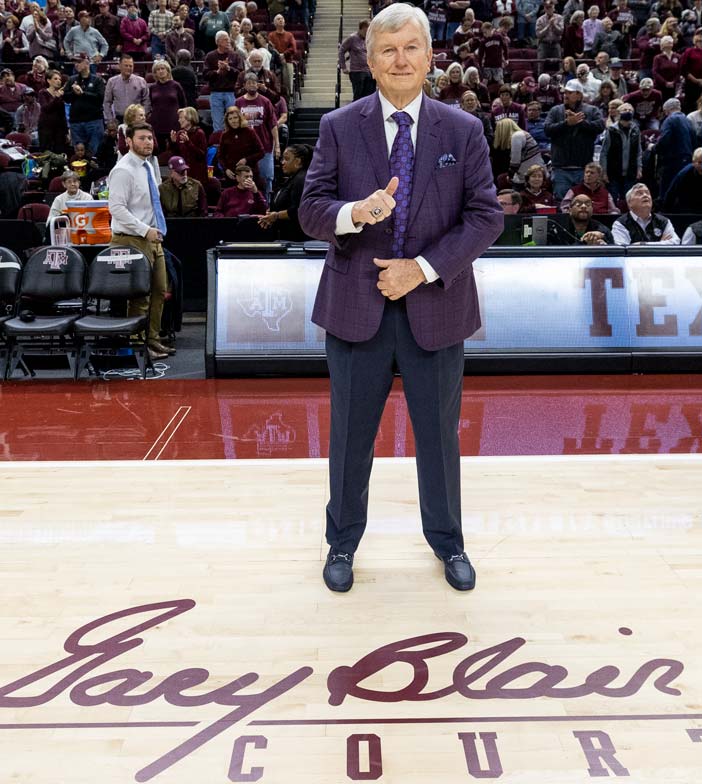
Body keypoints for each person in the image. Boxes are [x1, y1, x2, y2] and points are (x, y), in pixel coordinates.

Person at [298, 4, 503, 594]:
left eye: (411, 47)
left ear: (430, 55)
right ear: (370, 61)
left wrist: (421, 269)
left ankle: (449, 543)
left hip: (435, 309)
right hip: (355, 311)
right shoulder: (339, 126)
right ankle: (341, 542)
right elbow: (311, 208)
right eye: (388, 50)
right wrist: (353, 214)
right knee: (348, 437)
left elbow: (486, 216)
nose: (401, 59)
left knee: (439, 438)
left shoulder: (461, 130)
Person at [107, 122, 174, 362]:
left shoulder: (148, 165)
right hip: (131, 239)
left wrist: (152, 230)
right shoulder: (123, 169)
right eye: (142, 138)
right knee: (140, 295)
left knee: (159, 291)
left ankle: (153, 339)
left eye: (150, 138)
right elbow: (116, 208)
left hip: (152, 236)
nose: (148, 142)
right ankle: (138, 344)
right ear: (129, 141)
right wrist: (145, 230)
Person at [544, 80, 605, 200]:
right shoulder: (555, 110)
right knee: (562, 203)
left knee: (584, 202)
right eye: (565, 92)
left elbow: (600, 127)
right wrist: (566, 123)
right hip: (561, 168)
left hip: (583, 168)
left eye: (570, 92)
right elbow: (547, 129)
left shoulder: (592, 110)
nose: (565, 95)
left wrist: (580, 122)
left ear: (579, 95)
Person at [235, 71, 279, 199]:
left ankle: (267, 204)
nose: (252, 85)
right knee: (246, 179)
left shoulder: (265, 101)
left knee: (267, 178)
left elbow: (273, 125)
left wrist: (277, 146)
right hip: (246, 149)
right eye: (249, 83)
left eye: (254, 83)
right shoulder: (238, 102)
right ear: (244, 85)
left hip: (265, 146)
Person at [258, 143, 311, 240]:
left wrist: (276, 215)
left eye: (286, 159)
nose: (282, 162)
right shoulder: (292, 178)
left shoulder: (301, 180)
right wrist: (272, 212)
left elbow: (299, 210)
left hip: (297, 239)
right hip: (285, 235)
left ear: (298, 162)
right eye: (283, 159)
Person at [599, 102, 643, 203]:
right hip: (613, 172)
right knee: (613, 200)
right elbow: (604, 152)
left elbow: (639, 151)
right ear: (619, 113)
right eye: (625, 110)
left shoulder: (636, 130)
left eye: (630, 110)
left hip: (630, 172)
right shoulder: (611, 130)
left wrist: (639, 168)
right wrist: (604, 172)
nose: (628, 112)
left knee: (630, 201)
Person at [203, 30, 246, 134]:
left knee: (234, 122)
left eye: (228, 39)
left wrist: (228, 68)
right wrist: (217, 72)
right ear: (218, 42)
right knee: (217, 125)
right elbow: (205, 75)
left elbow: (241, 74)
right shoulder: (210, 56)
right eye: (225, 40)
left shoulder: (235, 56)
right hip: (215, 93)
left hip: (231, 93)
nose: (228, 42)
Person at [64, 55, 106, 159]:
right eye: (75, 62)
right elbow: (66, 98)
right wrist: (74, 93)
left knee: (94, 153)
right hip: (76, 122)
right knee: (79, 155)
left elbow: (100, 98)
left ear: (87, 63)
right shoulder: (72, 80)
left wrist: (83, 93)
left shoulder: (97, 80)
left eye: (79, 62)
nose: (76, 65)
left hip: (94, 121)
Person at [612, 182, 680, 244]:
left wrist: (643, 245)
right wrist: (661, 244)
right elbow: (623, 249)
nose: (645, 195)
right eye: (639, 193)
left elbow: (675, 242)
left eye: (647, 193)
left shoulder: (663, 221)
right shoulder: (620, 224)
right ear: (629, 203)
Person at [657, 96, 696, 196]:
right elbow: (694, 140)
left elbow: (664, 141)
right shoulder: (688, 121)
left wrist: (653, 148)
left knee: (667, 186)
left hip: (672, 160)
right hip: (687, 159)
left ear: (667, 110)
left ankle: (664, 209)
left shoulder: (670, 120)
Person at [217, 103, 264, 183]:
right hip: (232, 175)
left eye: (235, 117)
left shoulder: (249, 132)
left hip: (249, 174)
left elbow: (261, 152)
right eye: (230, 119)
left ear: (240, 118)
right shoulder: (225, 135)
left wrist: (246, 160)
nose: (233, 121)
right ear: (227, 121)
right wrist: (226, 169)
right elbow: (220, 156)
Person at [547, 193, 614, 244]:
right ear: (570, 210)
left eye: (588, 204)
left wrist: (601, 244)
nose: (584, 206)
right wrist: (585, 244)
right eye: (578, 204)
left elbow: (613, 252)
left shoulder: (602, 230)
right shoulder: (558, 229)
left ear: (592, 210)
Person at [149, 59, 186, 150]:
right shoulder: (152, 87)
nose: (161, 71)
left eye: (163, 68)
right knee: (159, 151)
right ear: (155, 73)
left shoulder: (176, 85)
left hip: (174, 123)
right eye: (158, 70)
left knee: (176, 149)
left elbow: (183, 104)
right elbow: (150, 104)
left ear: (168, 71)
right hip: (157, 124)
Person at [493, 117, 543, 184]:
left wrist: (510, 176)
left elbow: (515, 162)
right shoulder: (523, 134)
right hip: (532, 172)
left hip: (530, 175)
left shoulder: (517, 136)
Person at [103, 54, 150, 125]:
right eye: (126, 65)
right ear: (120, 66)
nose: (128, 68)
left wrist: (142, 117)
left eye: (130, 66)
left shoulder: (141, 81)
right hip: (119, 120)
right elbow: (107, 102)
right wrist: (110, 120)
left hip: (137, 120)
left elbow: (147, 101)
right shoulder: (111, 82)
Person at [168, 105, 208, 186]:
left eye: (181, 118)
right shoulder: (180, 133)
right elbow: (176, 155)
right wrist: (173, 143)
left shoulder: (199, 133)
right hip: (183, 175)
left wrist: (188, 143)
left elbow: (201, 155)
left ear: (190, 119)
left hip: (197, 175)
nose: (179, 120)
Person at [338, 19, 375, 101]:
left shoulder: (370, 39)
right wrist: (343, 66)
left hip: (369, 71)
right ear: (362, 28)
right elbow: (341, 50)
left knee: (370, 96)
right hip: (357, 72)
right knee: (358, 96)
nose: (368, 32)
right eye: (367, 29)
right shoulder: (352, 38)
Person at [663, 146, 702, 211]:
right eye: (700, 163)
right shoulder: (684, 173)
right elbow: (672, 192)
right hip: (688, 207)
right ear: (694, 162)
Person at [38, 69, 68, 153]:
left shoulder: (61, 95)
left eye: (60, 79)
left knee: (59, 152)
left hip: (59, 130)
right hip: (46, 129)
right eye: (55, 79)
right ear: (48, 80)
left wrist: (66, 132)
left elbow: (62, 115)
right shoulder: (42, 93)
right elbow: (46, 108)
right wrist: (56, 97)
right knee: (46, 153)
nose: (58, 81)